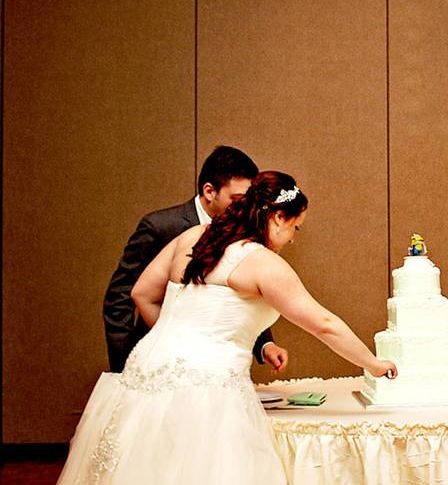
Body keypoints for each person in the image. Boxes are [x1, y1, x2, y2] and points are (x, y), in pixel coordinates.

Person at [59, 171, 397, 484]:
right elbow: (324, 325)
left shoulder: (193, 237)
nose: (293, 238)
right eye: (297, 227)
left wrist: (173, 338)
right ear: (278, 217)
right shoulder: (263, 263)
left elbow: (142, 293)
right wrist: (374, 364)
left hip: (144, 371)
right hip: (208, 388)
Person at [103, 146, 288, 373]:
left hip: (213, 368)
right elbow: (119, 299)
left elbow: (235, 298)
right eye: (238, 199)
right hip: (156, 362)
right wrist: (125, 367)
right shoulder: (160, 227)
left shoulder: (243, 233)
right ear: (210, 191)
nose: (245, 207)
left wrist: (264, 345)